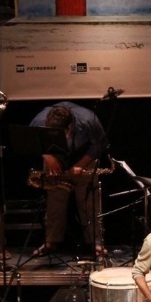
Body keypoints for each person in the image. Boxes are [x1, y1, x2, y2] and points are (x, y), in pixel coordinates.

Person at [29, 101, 108, 256]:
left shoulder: (88, 120)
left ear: (70, 127)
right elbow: (31, 140)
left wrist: (81, 164)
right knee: (54, 202)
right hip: (54, 156)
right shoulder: (39, 121)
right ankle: (51, 241)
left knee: (88, 201)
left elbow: (100, 143)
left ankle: (96, 242)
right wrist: (48, 157)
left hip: (84, 155)